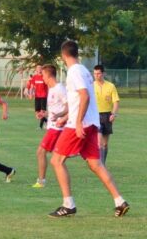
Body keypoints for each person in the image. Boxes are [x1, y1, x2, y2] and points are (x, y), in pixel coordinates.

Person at [49, 40, 129, 217]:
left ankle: (68, 204)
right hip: (92, 123)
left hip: (81, 124)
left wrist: (76, 122)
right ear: (77, 53)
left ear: (63, 56)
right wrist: (65, 117)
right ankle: (120, 201)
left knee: (56, 161)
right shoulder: (85, 71)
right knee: (95, 164)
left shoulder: (74, 72)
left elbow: (84, 96)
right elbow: (80, 99)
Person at [32, 64, 67, 188]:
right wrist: (44, 114)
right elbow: (54, 109)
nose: (42, 77)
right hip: (52, 127)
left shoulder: (60, 89)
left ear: (47, 75)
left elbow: (69, 107)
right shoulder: (51, 89)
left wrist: (60, 116)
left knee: (41, 152)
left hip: (57, 128)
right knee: (58, 157)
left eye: (42, 75)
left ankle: (41, 181)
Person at [93, 65, 120, 164]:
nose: (97, 75)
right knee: (99, 142)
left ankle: (102, 163)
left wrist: (113, 114)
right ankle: (100, 165)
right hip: (95, 116)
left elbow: (116, 102)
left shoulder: (111, 86)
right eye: (95, 73)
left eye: (99, 73)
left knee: (104, 144)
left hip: (107, 116)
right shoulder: (91, 86)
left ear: (103, 73)